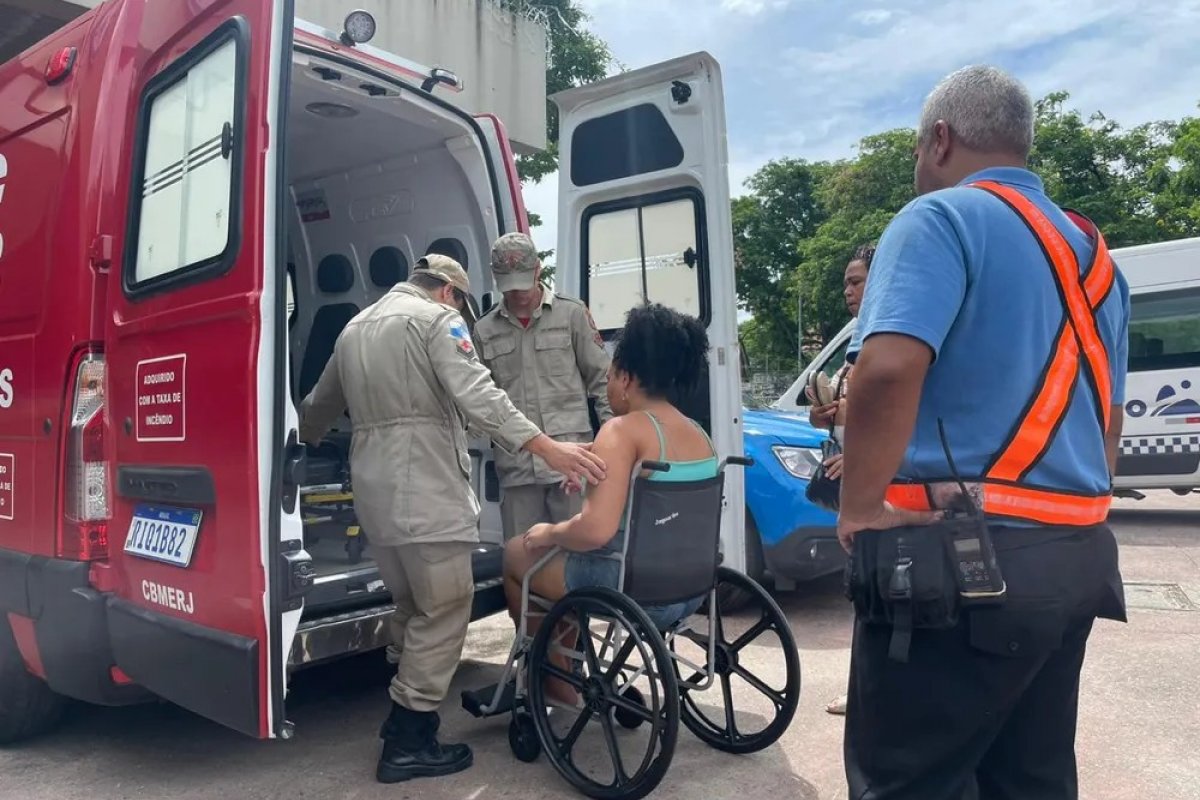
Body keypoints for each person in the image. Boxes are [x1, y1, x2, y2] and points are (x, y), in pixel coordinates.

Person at [838, 65, 1129, 800]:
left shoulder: (940, 220)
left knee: (909, 782)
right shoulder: (1097, 260)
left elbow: (885, 369)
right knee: (1028, 778)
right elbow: (1109, 419)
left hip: (962, 561)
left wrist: (863, 506)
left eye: (914, 148)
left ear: (940, 140)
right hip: (1077, 555)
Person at [298, 254, 607, 784]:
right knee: (444, 608)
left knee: (413, 605)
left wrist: (295, 449)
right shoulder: (437, 320)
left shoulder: (354, 328)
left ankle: (404, 714)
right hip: (426, 486)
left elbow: (317, 409)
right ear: (449, 293)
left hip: (373, 490)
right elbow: (479, 395)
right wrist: (546, 447)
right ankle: (409, 735)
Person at [501, 303, 715, 704]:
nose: (608, 384)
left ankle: (556, 683)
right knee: (557, 560)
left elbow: (595, 530)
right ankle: (565, 670)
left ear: (628, 378)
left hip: (631, 588)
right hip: (689, 590)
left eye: (611, 374)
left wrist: (549, 531)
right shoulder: (698, 433)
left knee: (520, 555)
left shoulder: (621, 430)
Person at [473, 232, 614, 542]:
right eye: (509, 285)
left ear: (538, 270)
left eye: (524, 281)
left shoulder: (571, 314)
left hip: (574, 467)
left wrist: (611, 448)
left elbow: (602, 382)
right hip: (518, 469)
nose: (519, 293)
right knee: (522, 558)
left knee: (580, 554)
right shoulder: (484, 330)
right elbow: (481, 400)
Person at [804, 243, 874, 716]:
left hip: (879, 488)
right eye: (846, 282)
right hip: (854, 486)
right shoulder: (858, 343)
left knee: (874, 590)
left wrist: (862, 458)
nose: (847, 290)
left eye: (857, 280)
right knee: (864, 589)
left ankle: (873, 693)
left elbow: (900, 416)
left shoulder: (893, 341)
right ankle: (870, 688)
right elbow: (834, 418)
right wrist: (822, 413)